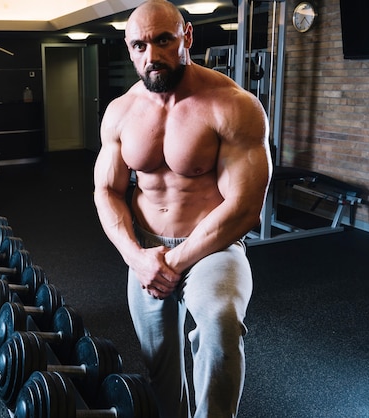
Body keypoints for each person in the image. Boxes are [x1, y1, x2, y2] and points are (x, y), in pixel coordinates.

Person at [93, 1, 273, 417]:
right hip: (147, 250)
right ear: (128, 47)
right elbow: (106, 190)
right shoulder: (120, 112)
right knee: (158, 365)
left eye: (163, 40)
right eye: (139, 45)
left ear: (186, 36)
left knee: (221, 325)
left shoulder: (233, 105)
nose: (151, 56)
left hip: (212, 248)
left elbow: (246, 208)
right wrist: (136, 257)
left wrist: (173, 261)